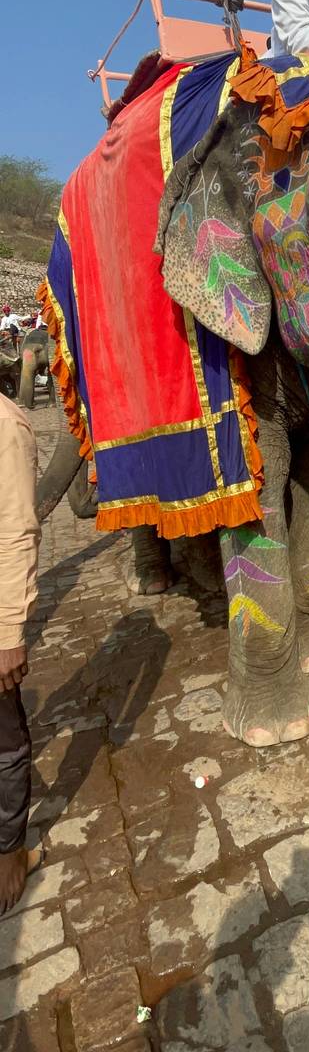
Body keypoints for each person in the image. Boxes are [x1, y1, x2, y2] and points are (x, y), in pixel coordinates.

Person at [0, 391, 42, 914]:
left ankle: (11, 850)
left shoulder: (5, 425)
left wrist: (9, 631)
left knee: (5, 740)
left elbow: (15, 533)